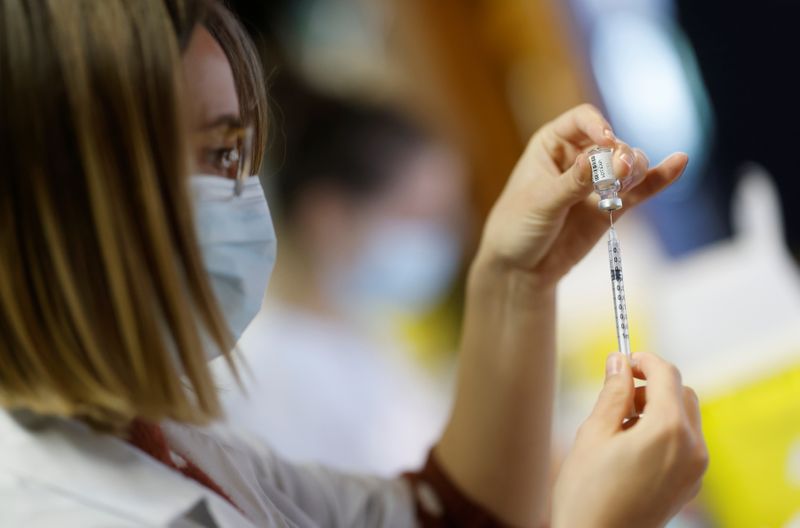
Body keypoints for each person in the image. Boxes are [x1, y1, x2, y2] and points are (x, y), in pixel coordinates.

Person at [0, 1, 707, 527]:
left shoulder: (157, 440)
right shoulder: (58, 508)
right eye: (217, 156)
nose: (242, 195)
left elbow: (442, 517)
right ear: (62, 198)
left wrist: (514, 282)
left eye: (238, 157)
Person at [215, 85, 463, 475]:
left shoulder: (361, 327)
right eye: (419, 215)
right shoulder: (270, 369)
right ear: (328, 215)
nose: (438, 239)